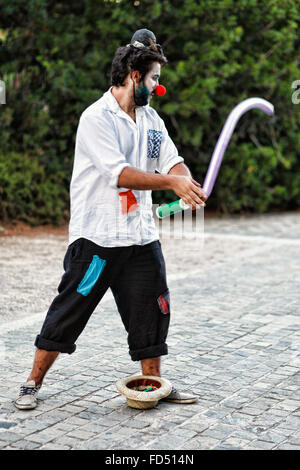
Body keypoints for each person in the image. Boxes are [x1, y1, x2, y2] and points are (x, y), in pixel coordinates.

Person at [14, 29, 207, 410]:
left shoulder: (152, 120)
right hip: (97, 239)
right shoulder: (95, 118)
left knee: (152, 311)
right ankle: (31, 383)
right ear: (135, 76)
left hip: (140, 238)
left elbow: (171, 160)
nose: (157, 86)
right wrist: (172, 183)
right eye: (154, 78)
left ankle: (154, 383)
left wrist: (186, 182)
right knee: (69, 310)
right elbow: (119, 173)